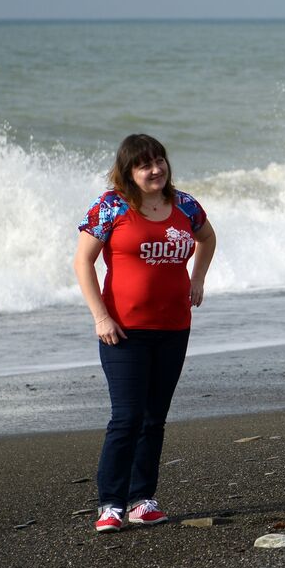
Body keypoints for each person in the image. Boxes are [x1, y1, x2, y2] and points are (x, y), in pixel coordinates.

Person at [74, 134, 217, 534]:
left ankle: (142, 500)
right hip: (123, 330)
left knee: (155, 418)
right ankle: (110, 504)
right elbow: (82, 262)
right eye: (144, 164)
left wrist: (198, 278)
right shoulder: (111, 207)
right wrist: (101, 317)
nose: (155, 170)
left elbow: (207, 238)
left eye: (160, 161)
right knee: (127, 417)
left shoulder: (185, 205)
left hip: (173, 327)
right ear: (128, 171)